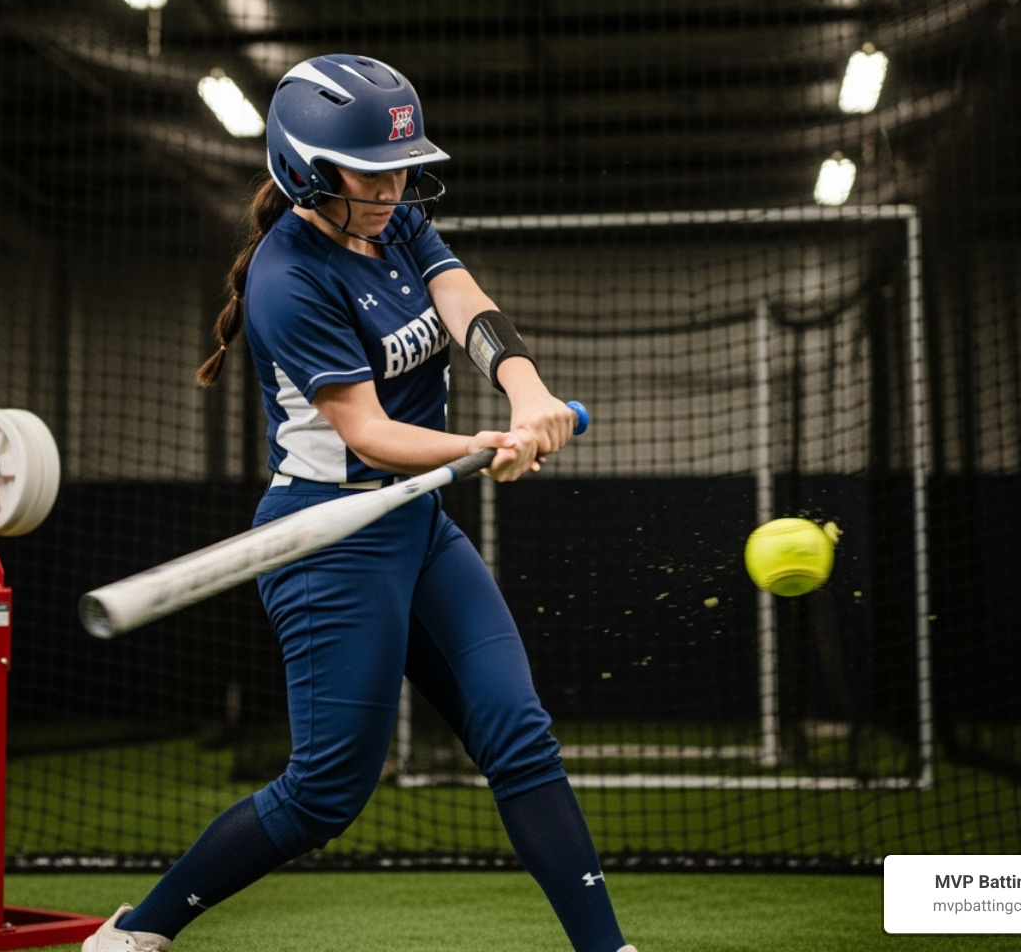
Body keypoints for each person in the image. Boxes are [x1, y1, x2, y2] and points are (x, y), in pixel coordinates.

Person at [84, 54, 637, 952]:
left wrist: (526, 393)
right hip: (328, 545)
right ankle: (135, 935)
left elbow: (470, 310)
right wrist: (477, 448)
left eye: (403, 166)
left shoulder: (399, 222)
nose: (395, 187)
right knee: (325, 794)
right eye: (372, 172)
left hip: (417, 527)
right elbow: (369, 432)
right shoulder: (287, 277)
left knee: (519, 735)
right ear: (305, 169)